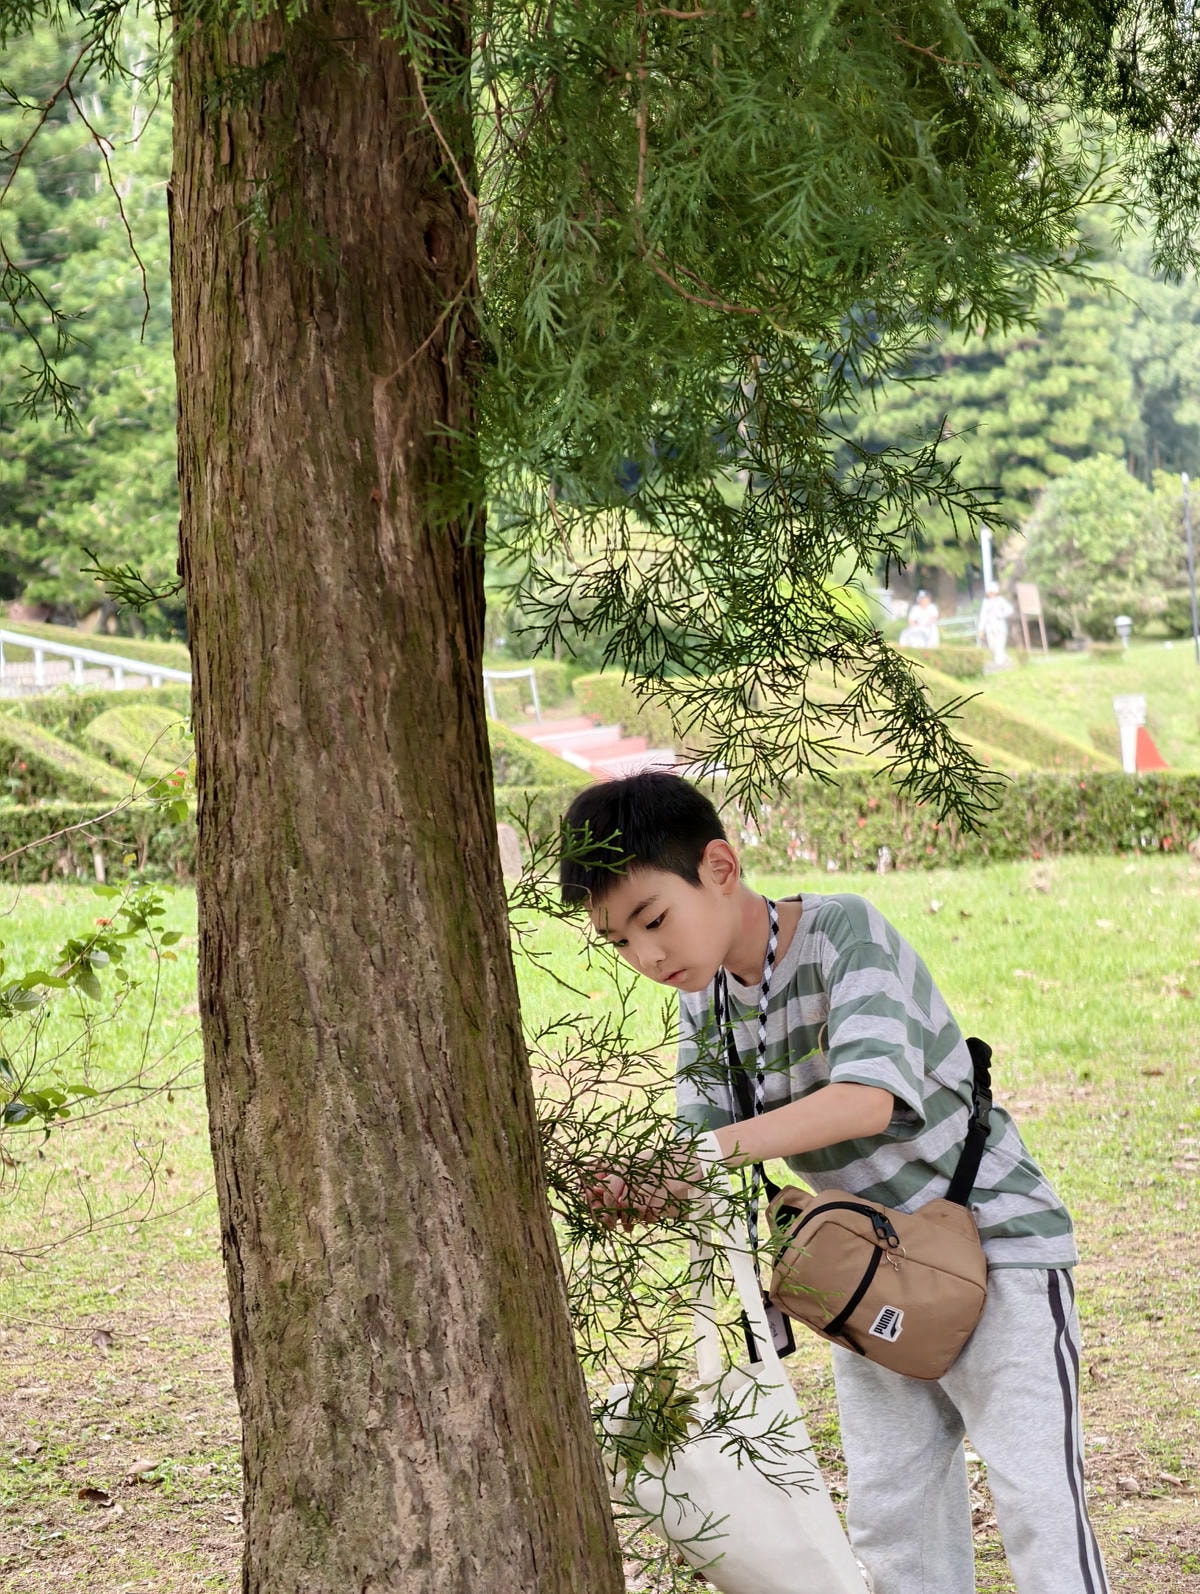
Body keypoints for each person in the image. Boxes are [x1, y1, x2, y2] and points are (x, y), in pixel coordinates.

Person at [559, 771, 1108, 1594]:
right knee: (893, 1518)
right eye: (620, 942)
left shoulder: (844, 930)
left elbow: (865, 1099)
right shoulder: (705, 1000)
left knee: (1038, 1500)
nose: (648, 957)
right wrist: (639, 1183)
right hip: (865, 1266)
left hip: (997, 1246)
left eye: (653, 920)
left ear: (719, 866)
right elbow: (699, 1150)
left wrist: (706, 1154)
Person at [977, 582, 1014, 668]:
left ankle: (999, 664)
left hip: (1000, 627)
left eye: (993, 592)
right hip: (989, 628)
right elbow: (983, 616)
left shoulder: (1001, 600)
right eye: (990, 592)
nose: (991, 594)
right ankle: (1005, 658)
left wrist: (1001, 615)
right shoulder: (985, 602)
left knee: (999, 645)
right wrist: (981, 629)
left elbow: (1010, 610)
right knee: (992, 646)